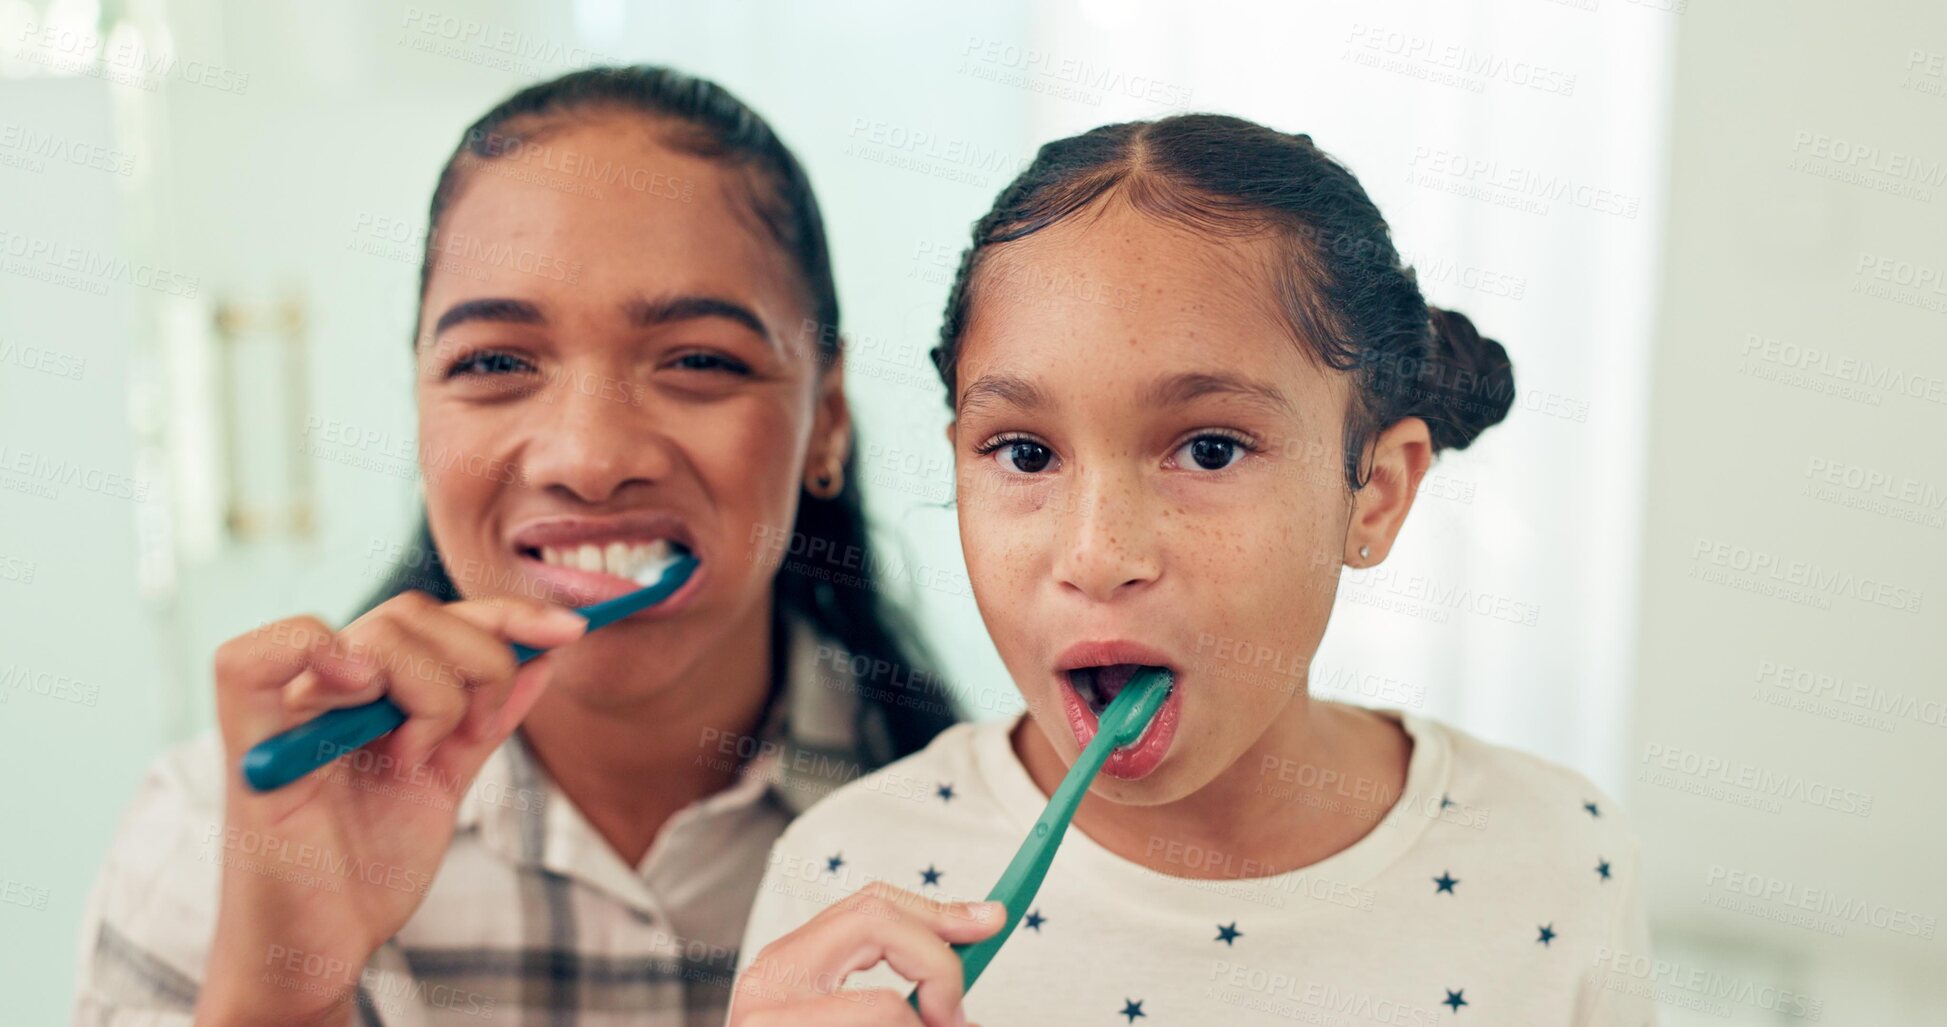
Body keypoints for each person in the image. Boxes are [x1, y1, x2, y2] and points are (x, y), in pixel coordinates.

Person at [74, 66, 954, 1027]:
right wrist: (278, 995)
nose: (590, 458)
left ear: (826, 419)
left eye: (698, 360)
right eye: (494, 362)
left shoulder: (986, 841)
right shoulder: (209, 843)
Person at [731, 113, 1656, 1026]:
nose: (1096, 554)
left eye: (1209, 450)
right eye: (1022, 453)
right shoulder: (846, 887)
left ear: (1373, 491)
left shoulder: (1554, 861)